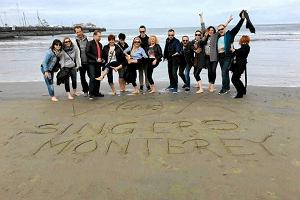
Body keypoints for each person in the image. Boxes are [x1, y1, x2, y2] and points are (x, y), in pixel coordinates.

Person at [209, 11, 245, 95]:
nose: (220, 30)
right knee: (224, 72)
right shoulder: (217, 36)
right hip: (220, 56)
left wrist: (242, 19)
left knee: (224, 72)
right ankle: (227, 87)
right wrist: (228, 21)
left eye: (222, 29)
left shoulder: (229, 34)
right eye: (219, 30)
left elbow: (237, 27)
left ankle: (224, 88)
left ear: (225, 28)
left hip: (227, 56)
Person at [203, 13, 233, 93]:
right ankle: (211, 84)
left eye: (212, 30)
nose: (211, 31)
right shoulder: (205, 37)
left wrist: (228, 20)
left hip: (215, 57)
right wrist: (201, 17)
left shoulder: (216, 35)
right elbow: (203, 27)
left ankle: (213, 85)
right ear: (208, 31)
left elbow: (223, 28)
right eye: (210, 30)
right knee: (210, 71)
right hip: (207, 57)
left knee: (214, 71)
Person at [86, 30, 104, 100]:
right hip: (91, 63)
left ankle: (96, 92)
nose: (100, 37)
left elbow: (100, 54)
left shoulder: (100, 44)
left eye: (100, 36)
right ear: (94, 36)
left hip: (98, 64)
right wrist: (96, 58)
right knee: (92, 77)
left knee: (98, 77)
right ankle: (91, 93)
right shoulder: (90, 43)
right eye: (99, 36)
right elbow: (87, 52)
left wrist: (102, 59)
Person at [163, 29, 182, 93]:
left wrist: (177, 52)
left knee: (174, 73)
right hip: (169, 59)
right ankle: (171, 85)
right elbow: (166, 48)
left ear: (174, 35)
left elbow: (178, 48)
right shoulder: (167, 40)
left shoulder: (177, 41)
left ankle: (175, 86)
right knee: (170, 73)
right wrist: (165, 56)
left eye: (172, 35)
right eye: (169, 35)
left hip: (176, 59)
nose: (170, 36)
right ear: (168, 35)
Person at [74, 25, 89, 97]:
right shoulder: (74, 42)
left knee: (92, 76)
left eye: (79, 31)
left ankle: (93, 90)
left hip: (89, 62)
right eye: (77, 32)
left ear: (82, 31)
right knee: (82, 78)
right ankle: (85, 90)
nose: (78, 33)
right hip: (80, 63)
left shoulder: (87, 39)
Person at [137, 25, 150, 91]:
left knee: (147, 72)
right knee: (140, 72)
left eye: (143, 31)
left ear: (145, 31)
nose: (142, 32)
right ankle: (141, 85)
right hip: (139, 58)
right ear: (139, 31)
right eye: (140, 31)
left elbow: (151, 48)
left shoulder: (148, 39)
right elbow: (134, 48)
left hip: (146, 58)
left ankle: (147, 85)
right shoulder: (137, 39)